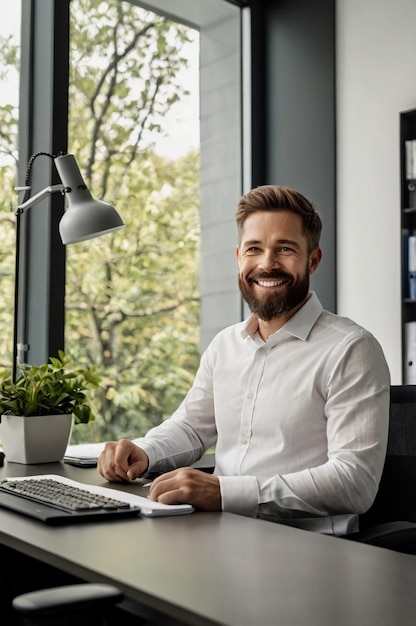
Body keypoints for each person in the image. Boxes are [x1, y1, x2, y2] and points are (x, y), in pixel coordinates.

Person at [98, 184, 390, 532]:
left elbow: (354, 482)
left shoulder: (351, 349)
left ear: (313, 259)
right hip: (218, 534)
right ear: (239, 257)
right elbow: (192, 427)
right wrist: (144, 452)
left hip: (308, 551)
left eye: (285, 248)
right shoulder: (225, 345)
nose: (267, 264)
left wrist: (225, 493)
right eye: (255, 249)